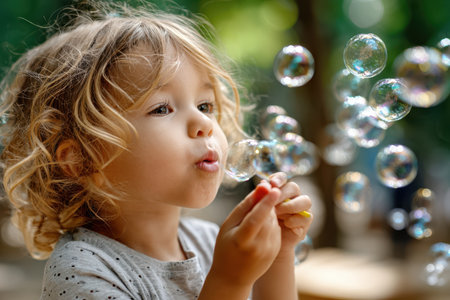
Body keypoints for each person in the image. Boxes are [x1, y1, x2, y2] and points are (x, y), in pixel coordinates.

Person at [0, 1, 313, 299]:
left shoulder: (207, 240)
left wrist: (279, 255)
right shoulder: (83, 269)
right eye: (162, 108)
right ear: (82, 161)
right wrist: (230, 280)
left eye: (205, 105)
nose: (203, 122)